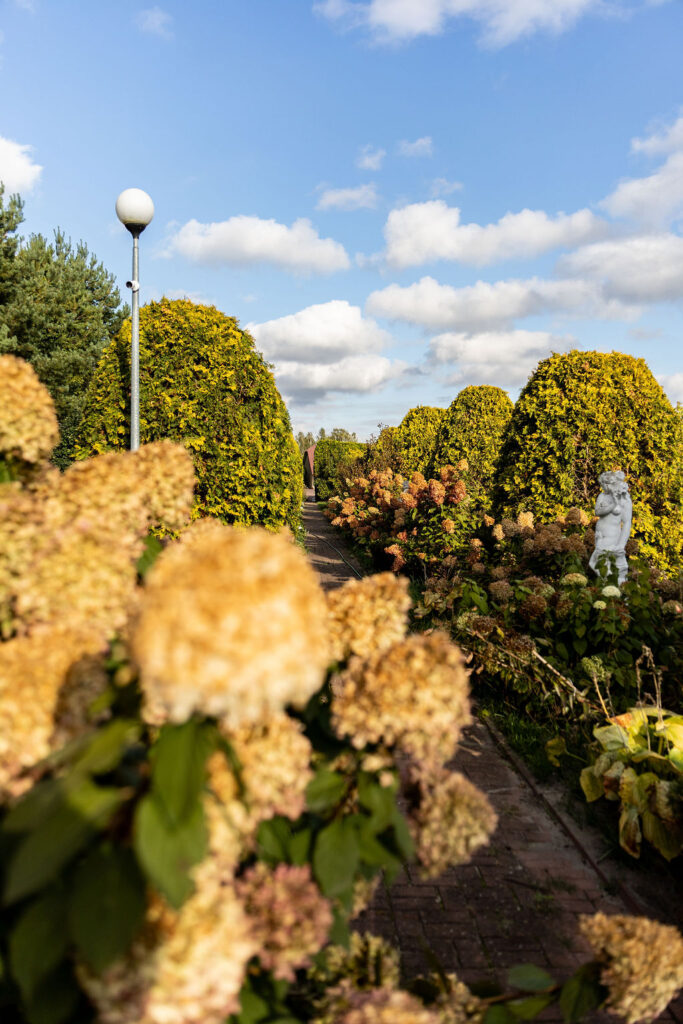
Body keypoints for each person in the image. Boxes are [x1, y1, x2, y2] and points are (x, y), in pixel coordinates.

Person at [588, 470, 632, 584]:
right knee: (598, 566)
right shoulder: (602, 496)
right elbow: (597, 511)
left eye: (606, 484)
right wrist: (612, 505)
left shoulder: (624, 499)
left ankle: (614, 593)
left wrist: (621, 545)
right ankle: (607, 592)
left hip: (612, 539)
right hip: (600, 537)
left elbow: (627, 523)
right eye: (602, 485)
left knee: (610, 569)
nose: (604, 487)